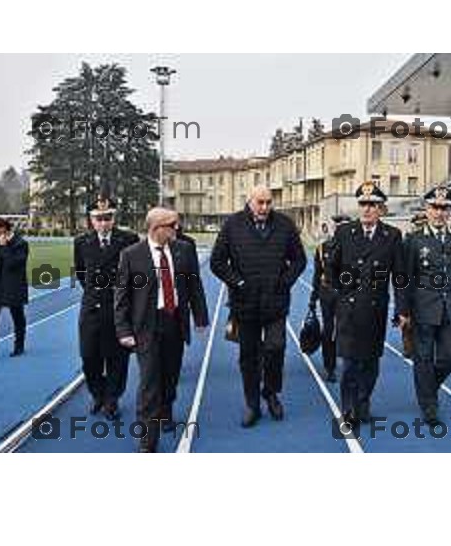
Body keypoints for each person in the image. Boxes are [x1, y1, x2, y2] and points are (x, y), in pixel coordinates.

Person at [210, 185, 307, 428]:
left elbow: (299, 260)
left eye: (268, 202)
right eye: (260, 202)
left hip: (276, 303)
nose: (265, 207)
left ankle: (271, 392)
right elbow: (217, 262)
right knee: (248, 357)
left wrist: (284, 282)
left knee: (276, 348)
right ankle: (252, 404)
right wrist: (238, 282)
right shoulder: (232, 225)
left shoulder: (285, 225)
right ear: (249, 201)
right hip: (245, 304)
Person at [114, 207, 209, 452]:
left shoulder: (183, 250)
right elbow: (122, 296)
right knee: (149, 382)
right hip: (146, 325)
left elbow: (194, 284)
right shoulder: (131, 255)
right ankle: (147, 439)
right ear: (156, 228)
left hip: (175, 321)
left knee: (170, 375)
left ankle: (166, 408)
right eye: (172, 225)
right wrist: (124, 330)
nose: (177, 229)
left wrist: (200, 316)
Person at [329, 181, 407, 424]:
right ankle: (349, 409)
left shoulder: (392, 236)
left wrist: (403, 310)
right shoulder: (344, 232)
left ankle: (363, 405)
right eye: (363, 204)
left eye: (372, 205)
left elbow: (400, 277)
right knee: (350, 363)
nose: (367, 209)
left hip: (375, 310)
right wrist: (342, 290)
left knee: (371, 362)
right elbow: (331, 267)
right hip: (349, 308)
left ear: (381, 208)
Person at [402, 186, 451, 425]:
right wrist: (403, 311)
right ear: (427, 209)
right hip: (423, 308)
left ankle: (427, 387)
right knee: (423, 357)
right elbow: (405, 278)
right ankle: (429, 407)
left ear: (450, 211)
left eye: (445, 208)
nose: (440, 212)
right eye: (435, 207)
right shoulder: (414, 239)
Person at [74, 197, 139, 420]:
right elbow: (82, 273)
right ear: (91, 220)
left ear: (114, 218)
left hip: (118, 309)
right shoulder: (81, 242)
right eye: (99, 218)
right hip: (91, 308)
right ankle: (98, 394)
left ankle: (112, 399)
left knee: (117, 359)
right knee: (89, 357)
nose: (103, 223)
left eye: (108, 218)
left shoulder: (128, 239)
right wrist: (94, 293)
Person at [308, 214, 351, 382]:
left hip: (348, 294)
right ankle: (330, 366)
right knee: (328, 330)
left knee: (347, 330)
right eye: (338, 227)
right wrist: (313, 299)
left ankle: (348, 361)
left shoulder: (355, 249)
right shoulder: (322, 248)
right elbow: (317, 275)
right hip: (327, 293)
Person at [0, 218, 29, 359]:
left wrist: (5, 246)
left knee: (17, 317)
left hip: (14, 287)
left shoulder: (21, 244)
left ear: (4, 228)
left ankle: (19, 346)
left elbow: (13, 264)